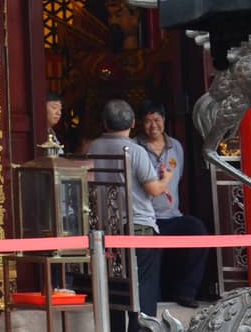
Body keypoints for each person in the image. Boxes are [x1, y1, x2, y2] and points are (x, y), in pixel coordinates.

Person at [85, 99, 171, 332]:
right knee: (143, 290)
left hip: (106, 231)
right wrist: (167, 179)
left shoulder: (94, 147)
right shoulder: (135, 151)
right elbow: (153, 190)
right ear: (133, 123)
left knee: (114, 289)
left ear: (105, 123)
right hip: (138, 229)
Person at [137, 101, 210, 307]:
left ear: (164, 121)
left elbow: (179, 179)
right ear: (141, 123)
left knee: (198, 231)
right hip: (147, 218)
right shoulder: (135, 147)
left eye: (157, 120)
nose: (153, 126)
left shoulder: (176, 146)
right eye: (148, 121)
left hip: (173, 216)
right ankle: (154, 301)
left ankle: (187, 292)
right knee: (153, 253)